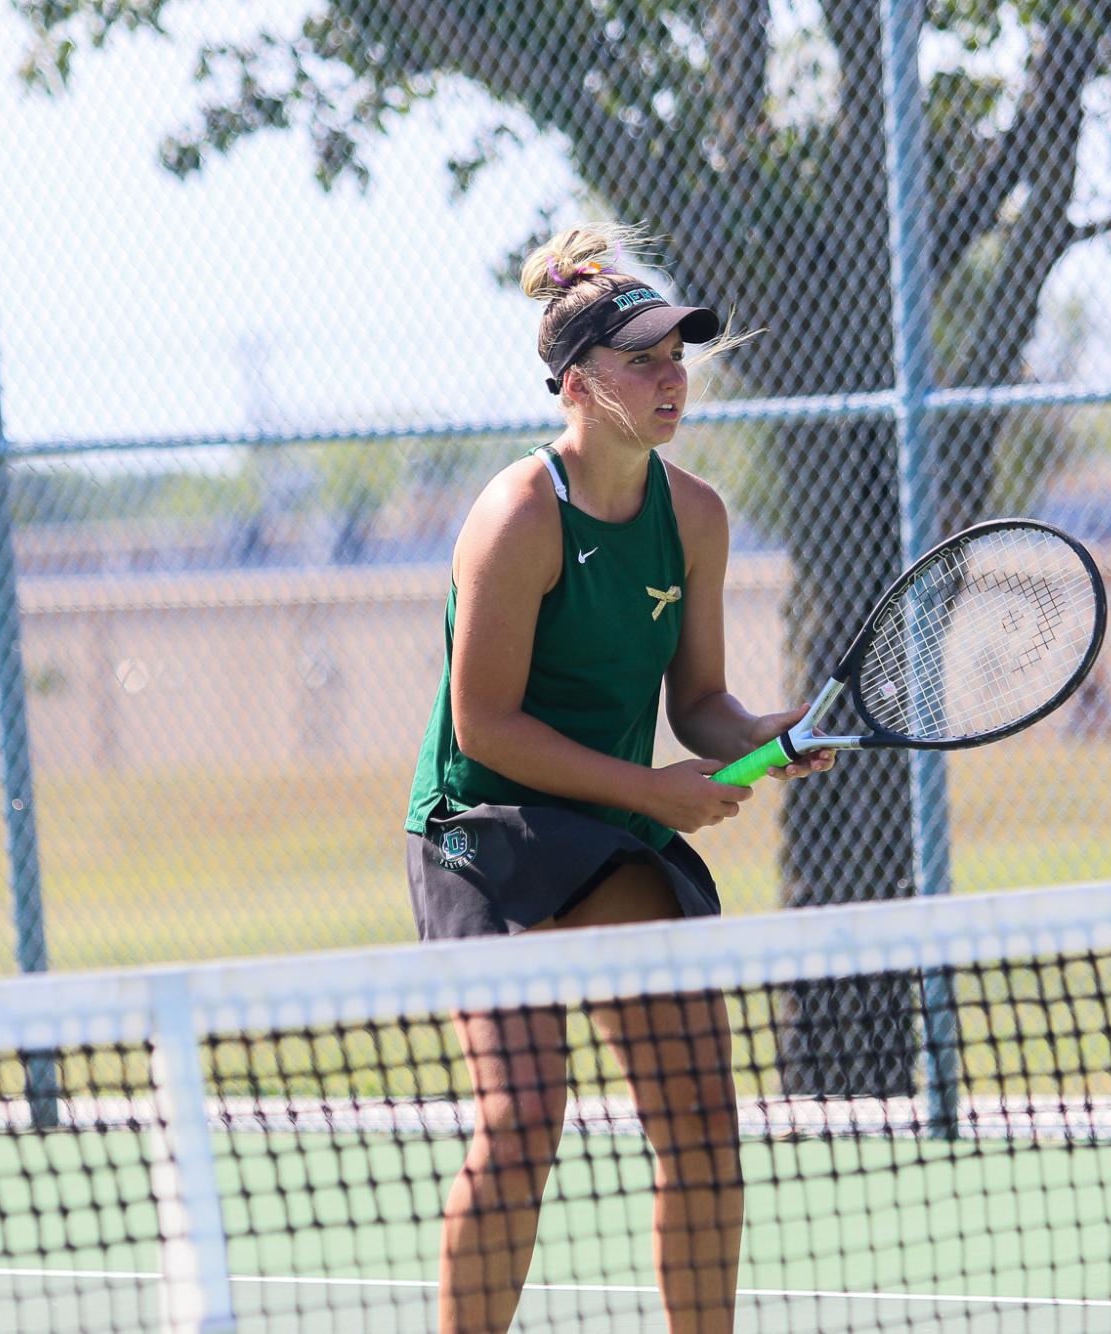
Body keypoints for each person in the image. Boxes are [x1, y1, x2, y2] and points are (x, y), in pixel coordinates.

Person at [403, 222, 833, 1333]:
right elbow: (484, 725)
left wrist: (770, 728)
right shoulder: (517, 516)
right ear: (578, 384)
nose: (672, 376)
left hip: (604, 823)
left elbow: (699, 703)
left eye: (679, 355)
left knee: (701, 1114)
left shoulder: (695, 517)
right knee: (523, 1115)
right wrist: (657, 792)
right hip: (483, 825)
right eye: (644, 359)